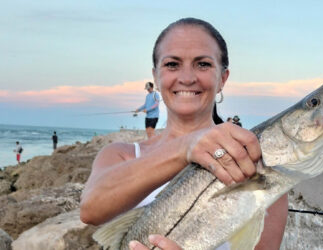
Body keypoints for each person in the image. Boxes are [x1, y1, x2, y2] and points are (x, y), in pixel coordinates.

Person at [80, 18, 288, 250]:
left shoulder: (254, 167)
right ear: (156, 77)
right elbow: (90, 209)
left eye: (203, 64)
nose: (187, 78)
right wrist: (186, 147)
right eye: (172, 64)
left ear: (223, 78)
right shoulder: (121, 154)